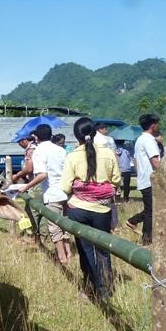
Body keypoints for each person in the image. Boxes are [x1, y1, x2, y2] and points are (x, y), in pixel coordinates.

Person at [61, 117, 121, 302]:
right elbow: (116, 180)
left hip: (78, 209)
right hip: (102, 210)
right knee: (103, 249)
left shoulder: (71, 156)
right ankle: (105, 290)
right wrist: (100, 189)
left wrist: (82, 188)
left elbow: (65, 187)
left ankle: (90, 288)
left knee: (85, 249)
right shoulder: (109, 153)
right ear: (95, 132)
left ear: (76, 135)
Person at [19, 124, 72, 264]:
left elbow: (42, 174)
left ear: (36, 137)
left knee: (54, 227)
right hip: (66, 192)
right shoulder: (61, 150)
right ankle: (69, 253)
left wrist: (26, 186)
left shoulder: (38, 151)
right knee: (66, 224)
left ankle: (61, 257)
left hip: (52, 193)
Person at [125, 114, 160, 245]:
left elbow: (136, 160)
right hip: (150, 180)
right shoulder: (149, 140)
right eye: (157, 124)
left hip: (144, 179)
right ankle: (147, 239)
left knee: (150, 209)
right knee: (151, 211)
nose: (158, 126)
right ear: (153, 125)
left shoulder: (140, 139)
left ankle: (133, 222)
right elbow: (155, 161)